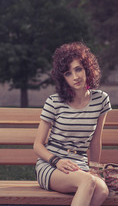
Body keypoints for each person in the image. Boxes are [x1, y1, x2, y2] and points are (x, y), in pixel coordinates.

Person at [34, 42, 112, 206]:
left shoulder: (101, 100)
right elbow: (37, 145)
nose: (75, 77)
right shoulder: (54, 102)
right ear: (63, 78)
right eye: (68, 73)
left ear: (87, 69)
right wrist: (57, 161)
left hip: (79, 165)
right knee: (87, 182)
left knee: (103, 190)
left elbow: (96, 141)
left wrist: (95, 169)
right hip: (52, 165)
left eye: (78, 69)